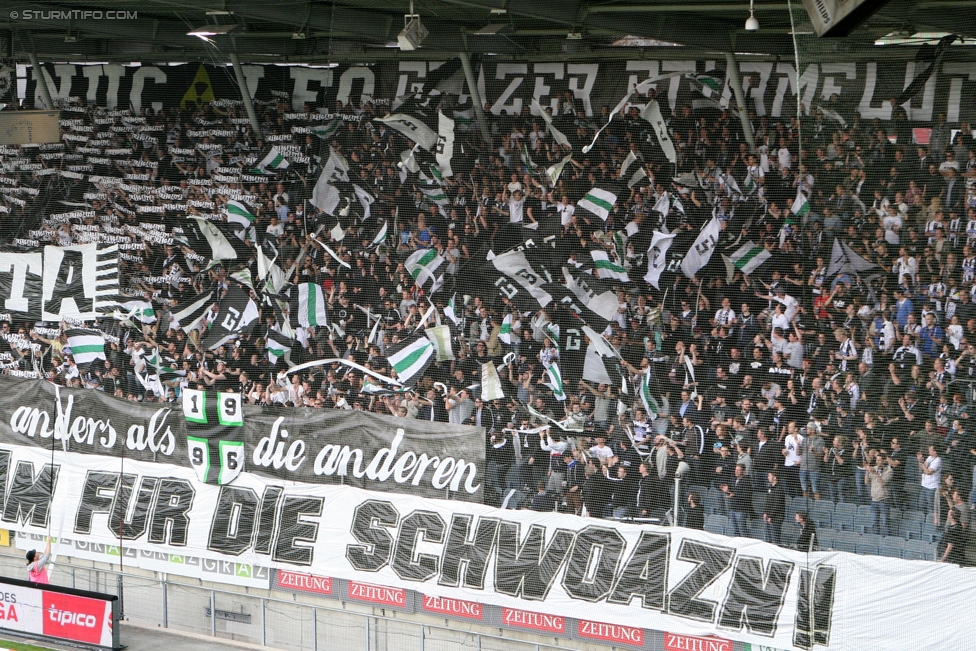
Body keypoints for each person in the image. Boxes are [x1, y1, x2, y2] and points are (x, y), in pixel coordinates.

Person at [865, 451, 894, 536]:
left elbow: (883, 483)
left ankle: (887, 538)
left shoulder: (889, 471)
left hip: (884, 500)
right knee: (874, 521)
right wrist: (867, 471)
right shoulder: (874, 468)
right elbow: (866, 482)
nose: (877, 462)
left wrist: (875, 473)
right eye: (877, 460)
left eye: (880, 460)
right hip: (874, 500)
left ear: (884, 461)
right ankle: (876, 538)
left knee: (885, 522)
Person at [720, 464, 752, 537]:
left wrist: (734, 495)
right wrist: (727, 491)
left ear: (743, 471)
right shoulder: (733, 480)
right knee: (735, 530)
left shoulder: (747, 482)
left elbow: (747, 495)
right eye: (736, 469)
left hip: (741, 510)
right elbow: (731, 492)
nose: (736, 471)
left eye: (738, 470)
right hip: (732, 508)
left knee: (742, 530)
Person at [917, 445, 943, 522]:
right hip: (924, 485)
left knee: (931, 506)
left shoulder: (938, 460)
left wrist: (922, 463)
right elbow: (922, 467)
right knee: (921, 504)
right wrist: (920, 460)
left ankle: (931, 523)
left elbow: (928, 472)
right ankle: (923, 521)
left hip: (932, 487)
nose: (929, 451)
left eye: (930, 450)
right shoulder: (929, 458)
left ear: (935, 451)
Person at [764, 471, 787, 545]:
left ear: (774, 477)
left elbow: (777, 504)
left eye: (769, 476)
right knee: (769, 538)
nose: (768, 477)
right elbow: (768, 502)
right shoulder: (770, 488)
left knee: (775, 539)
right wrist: (765, 513)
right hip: (769, 516)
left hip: (776, 518)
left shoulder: (779, 489)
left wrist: (771, 516)